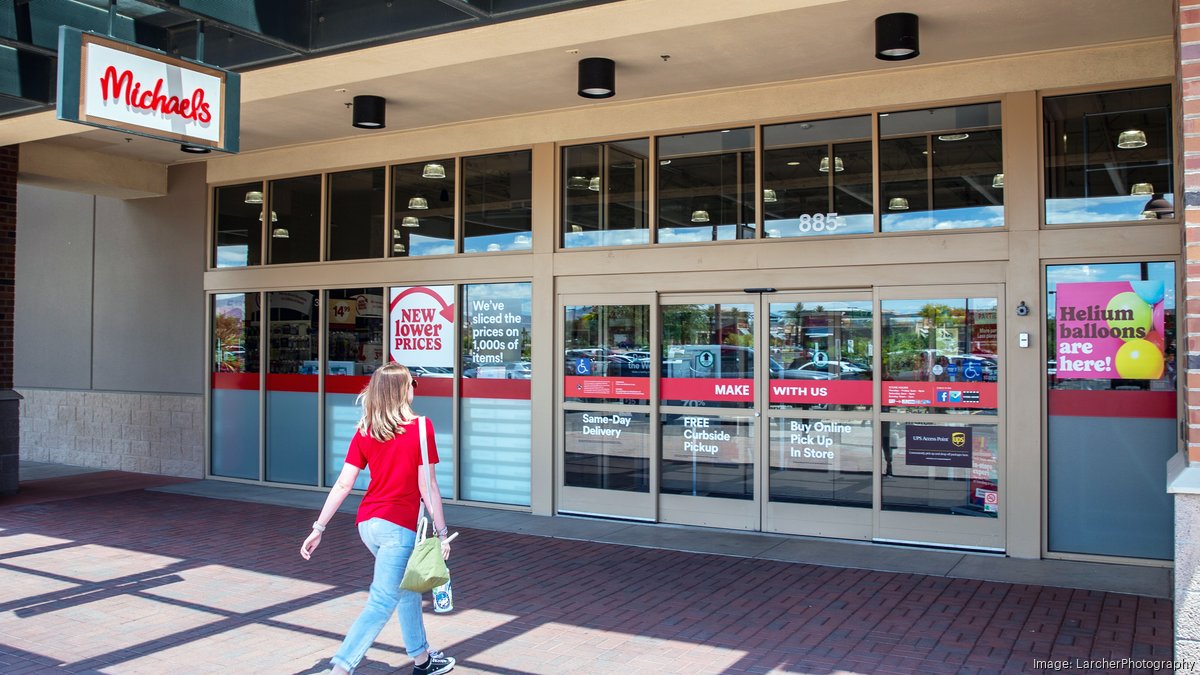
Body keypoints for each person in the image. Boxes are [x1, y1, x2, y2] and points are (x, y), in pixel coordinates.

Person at [300, 362, 455, 675]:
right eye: (413, 383)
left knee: (406, 589)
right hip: (398, 528)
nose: (415, 388)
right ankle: (341, 668)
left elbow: (344, 483)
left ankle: (422, 659)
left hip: (368, 524)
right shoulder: (422, 428)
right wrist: (441, 533)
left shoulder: (366, 429)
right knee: (383, 600)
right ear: (400, 390)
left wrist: (319, 527)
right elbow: (428, 487)